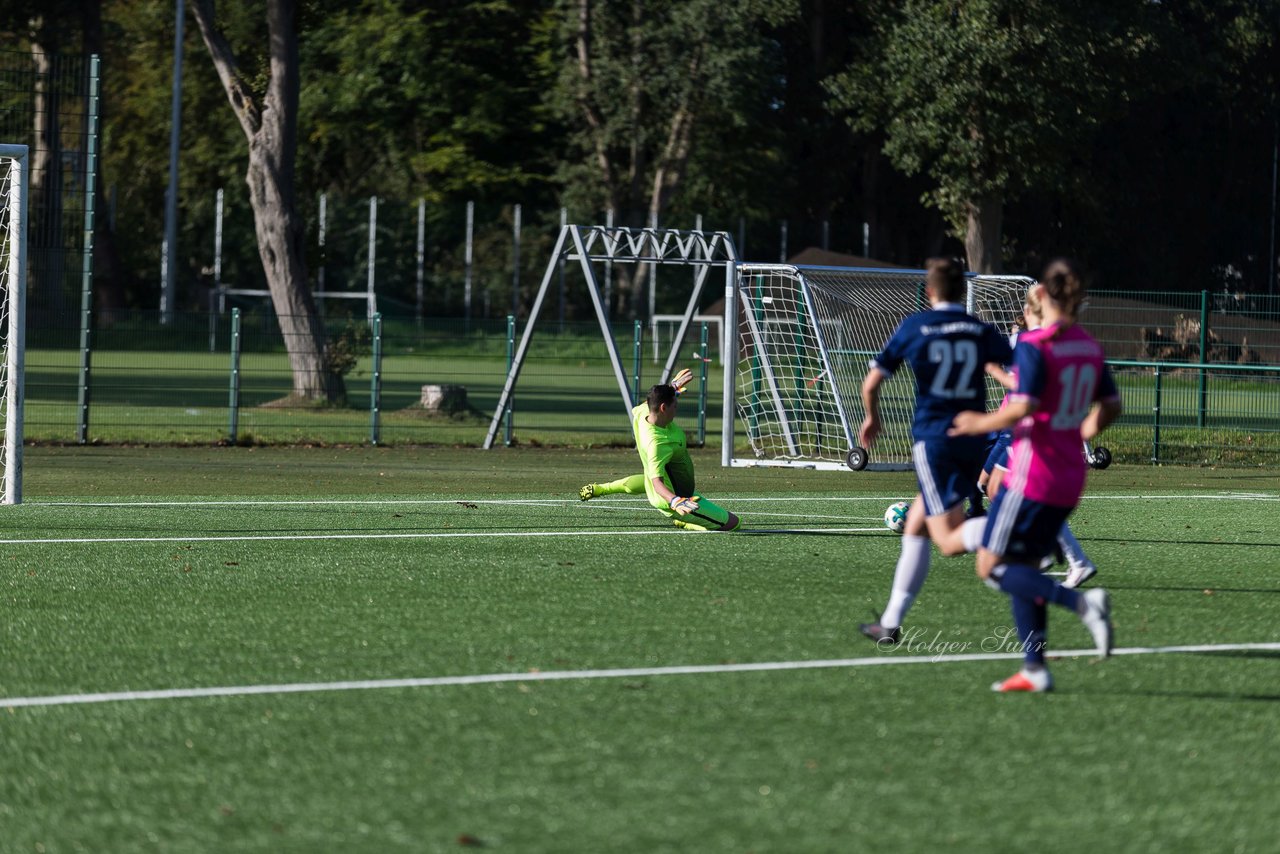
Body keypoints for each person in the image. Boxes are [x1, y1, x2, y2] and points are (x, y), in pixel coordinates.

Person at [950, 258, 1122, 692]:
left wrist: (976, 423)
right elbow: (1112, 406)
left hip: (1032, 476)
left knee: (990, 567)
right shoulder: (1088, 345)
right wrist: (1078, 432)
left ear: (1041, 296)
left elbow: (1023, 406)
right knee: (1026, 566)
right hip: (1068, 478)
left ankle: (1084, 605)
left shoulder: (1034, 343)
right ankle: (1035, 668)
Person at [857, 257, 1013, 645]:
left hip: (936, 440)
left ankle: (1021, 534)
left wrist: (871, 419)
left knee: (946, 539)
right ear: (963, 290)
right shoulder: (979, 329)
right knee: (915, 524)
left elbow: (871, 382)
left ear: (929, 291)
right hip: (974, 438)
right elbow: (1017, 365)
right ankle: (890, 623)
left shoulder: (916, 325)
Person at [983, 286, 1098, 588]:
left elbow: (1024, 390)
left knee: (1003, 493)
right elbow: (1109, 404)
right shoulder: (1078, 345)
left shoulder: (1034, 343)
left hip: (1025, 430)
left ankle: (1067, 557)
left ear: (1033, 312)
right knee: (991, 486)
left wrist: (993, 374)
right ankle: (1048, 551)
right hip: (1024, 429)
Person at [580, 369, 741, 532]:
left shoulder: (644, 412)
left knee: (647, 479)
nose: (676, 408)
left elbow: (652, 401)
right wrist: (675, 501)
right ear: (664, 408)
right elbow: (657, 483)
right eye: (675, 405)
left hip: (670, 483)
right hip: (673, 496)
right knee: (733, 524)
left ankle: (601, 488)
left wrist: (673, 387)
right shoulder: (657, 444)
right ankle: (686, 522)